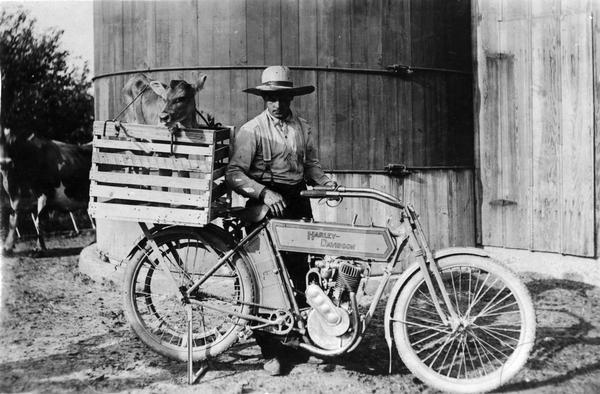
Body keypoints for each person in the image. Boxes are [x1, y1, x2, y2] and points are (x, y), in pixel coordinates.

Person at [226, 65, 335, 375]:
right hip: (265, 206)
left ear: (291, 97)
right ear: (264, 98)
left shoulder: (303, 127)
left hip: (297, 202)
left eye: (283, 97)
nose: (277, 104)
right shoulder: (252, 130)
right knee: (263, 277)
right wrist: (262, 193)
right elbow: (235, 174)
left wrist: (327, 184)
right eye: (271, 98)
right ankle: (270, 351)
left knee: (303, 273)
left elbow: (311, 164)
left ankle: (305, 342)